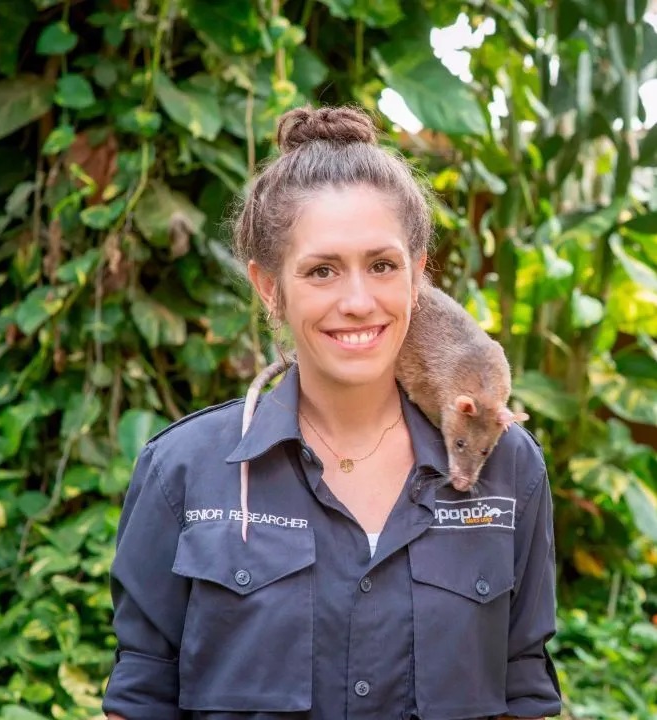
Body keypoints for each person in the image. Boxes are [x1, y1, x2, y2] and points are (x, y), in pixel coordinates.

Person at [101, 105, 561, 720]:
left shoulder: (507, 469)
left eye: (382, 265)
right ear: (270, 287)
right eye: (321, 270)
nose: (357, 301)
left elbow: (523, 689)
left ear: (418, 277)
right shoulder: (182, 470)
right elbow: (141, 697)